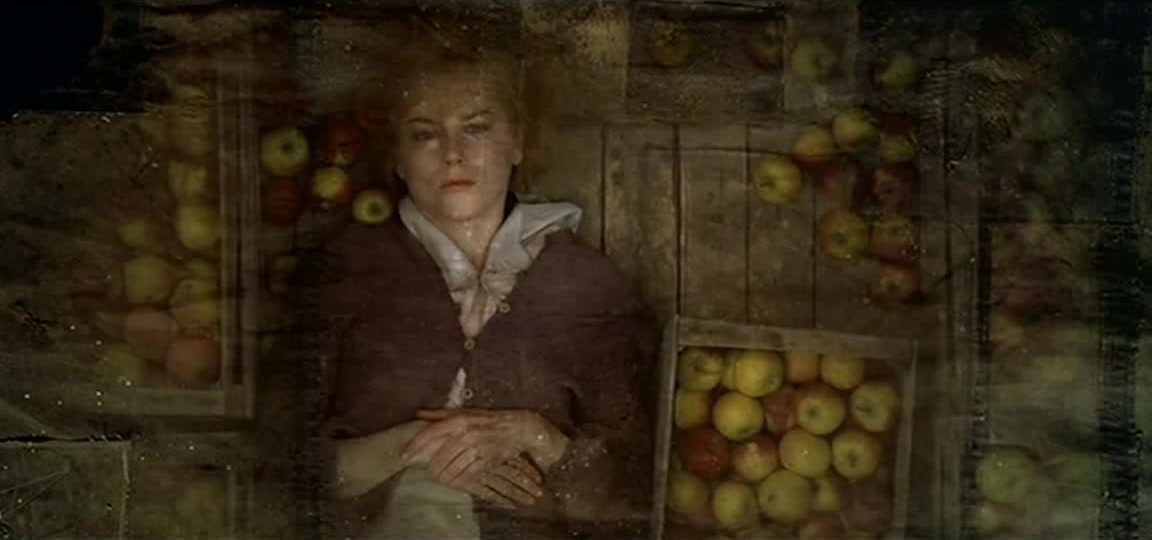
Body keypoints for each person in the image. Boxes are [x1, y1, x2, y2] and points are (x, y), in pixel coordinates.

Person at [279, 21, 659, 540]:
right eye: (424, 134)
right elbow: (280, 470)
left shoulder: (592, 287)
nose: (452, 152)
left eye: (476, 128)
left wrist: (535, 435)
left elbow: (633, 494)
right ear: (397, 156)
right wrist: (415, 445)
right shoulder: (342, 272)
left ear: (518, 140)